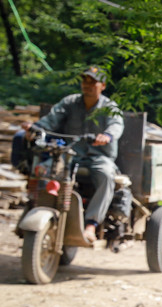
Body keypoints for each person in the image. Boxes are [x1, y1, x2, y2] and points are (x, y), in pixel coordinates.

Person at [21, 66, 124, 243]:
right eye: (85, 81)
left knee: (107, 176)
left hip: (98, 156)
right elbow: (51, 120)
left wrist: (107, 136)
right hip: (70, 154)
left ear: (103, 86)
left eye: (93, 82)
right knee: (43, 169)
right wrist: (35, 128)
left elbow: (116, 125)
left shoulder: (109, 107)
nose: (87, 85)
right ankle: (38, 207)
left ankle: (91, 225)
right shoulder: (70, 102)